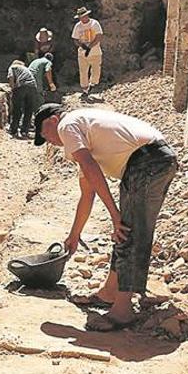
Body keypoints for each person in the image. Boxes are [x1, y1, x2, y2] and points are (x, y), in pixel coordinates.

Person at [32, 104, 178, 330]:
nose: (48, 140)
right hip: (153, 159)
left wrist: (114, 214)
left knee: (127, 232)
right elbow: (87, 193)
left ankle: (122, 311)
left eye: (44, 133)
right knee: (127, 230)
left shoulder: (67, 125)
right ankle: (110, 292)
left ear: (52, 119)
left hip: (147, 161)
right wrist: (74, 235)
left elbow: (90, 166)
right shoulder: (81, 131)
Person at [71, 7, 104, 97]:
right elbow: (75, 39)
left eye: (84, 16)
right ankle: (85, 89)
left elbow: (99, 36)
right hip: (82, 53)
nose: (83, 18)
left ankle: (93, 84)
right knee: (83, 71)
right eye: (81, 17)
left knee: (96, 70)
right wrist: (82, 46)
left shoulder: (94, 23)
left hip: (95, 52)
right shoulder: (78, 26)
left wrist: (90, 46)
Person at [6, 60, 41, 138]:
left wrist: (13, 89)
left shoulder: (12, 67)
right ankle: (25, 131)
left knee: (17, 109)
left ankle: (13, 130)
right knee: (28, 110)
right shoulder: (25, 69)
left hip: (22, 86)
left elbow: (11, 77)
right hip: (33, 87)